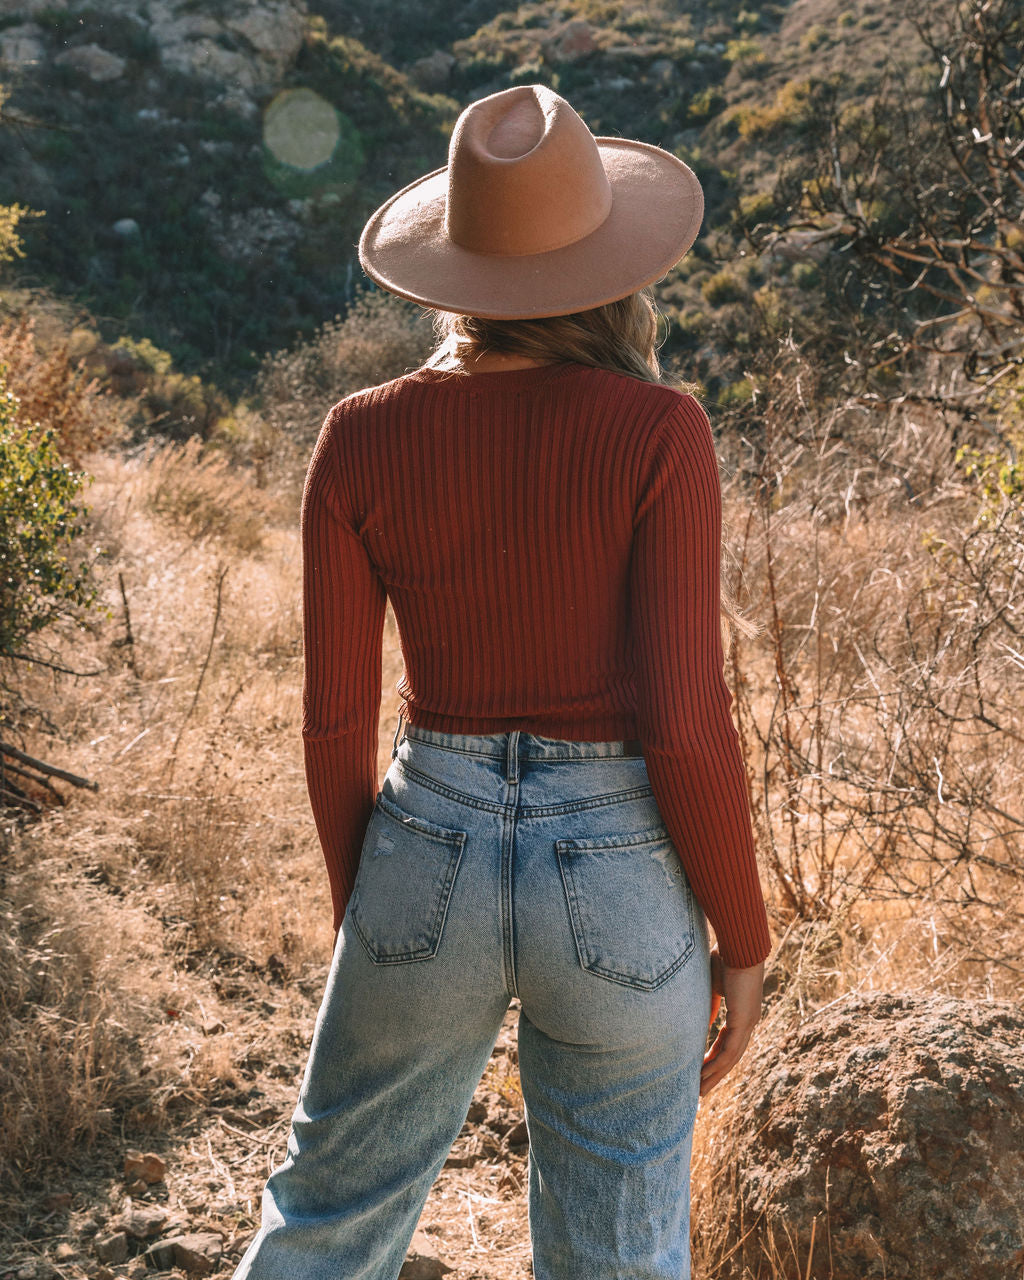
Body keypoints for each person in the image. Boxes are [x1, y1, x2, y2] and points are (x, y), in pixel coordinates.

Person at [233, 83, 772, 1280]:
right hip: (621, 872)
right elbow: (685, 723)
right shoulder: (660, 431)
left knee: (326, 1217)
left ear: (455, 267)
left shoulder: (359, 434)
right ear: (618, 263)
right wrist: (743, 931)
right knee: (620, 1252)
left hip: (425, 849)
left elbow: (334, 722)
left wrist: (367, 910)